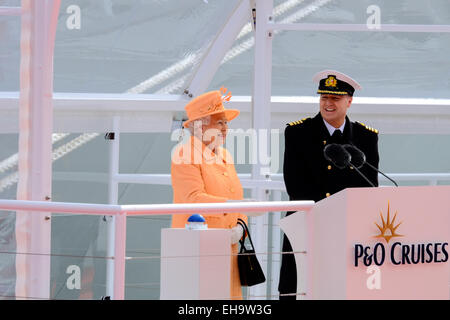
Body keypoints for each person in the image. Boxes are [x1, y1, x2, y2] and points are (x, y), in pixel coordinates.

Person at [279, 70, 380, 299]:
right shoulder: (298, 133)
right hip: (307, 228)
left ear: (349, 101)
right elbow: (295, 186)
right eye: (324, 97)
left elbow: (369, 189)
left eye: (335, 98)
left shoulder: (366, 137)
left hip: (348, 232)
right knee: (299, 289)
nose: (328, 103)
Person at [171, 89, 248, 300]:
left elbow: (236, 197)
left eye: (226, 123)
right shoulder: (184, 154)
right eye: (219, 123)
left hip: (229, 246)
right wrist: (233, 209)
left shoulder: (225, 155)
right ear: (200, 126)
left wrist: (241, 226)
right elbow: (192, 198)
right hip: (199, 245)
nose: (225, 129)